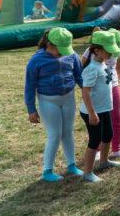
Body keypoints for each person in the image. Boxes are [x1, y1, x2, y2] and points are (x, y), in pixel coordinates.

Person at [24, 28, 84, 182]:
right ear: (49, 44)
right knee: (55, 134)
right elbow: (30, 86)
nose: (64, 52)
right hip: (48, 101)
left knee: (68, 132)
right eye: (60, 49)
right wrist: (31, 109)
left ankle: (71, 165)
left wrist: (89, 94)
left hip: (68, 98)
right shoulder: (36, 61)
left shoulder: (71, 55)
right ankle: (47, 171)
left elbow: (79, 76)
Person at [81, 29, 120, 160]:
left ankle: (116, 149)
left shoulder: (116, 49)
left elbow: (118, 67)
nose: (112, 52)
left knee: (116, 118)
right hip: (97, 87)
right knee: (99, 122)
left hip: (112, 85)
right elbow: (81, 67)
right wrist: (84, 85)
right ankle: (97, 149)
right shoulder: (92, 52)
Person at [79, 31, 120, 182]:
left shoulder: (102, 64)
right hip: (92, 112)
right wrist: (92, 113)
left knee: (108, 135)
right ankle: (87, 172)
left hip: (104, 109)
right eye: (108, 50)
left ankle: (104, 162)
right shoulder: (91, 69)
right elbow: (85, 93)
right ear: (97, 50)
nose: (111, 52)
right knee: (95, 140)